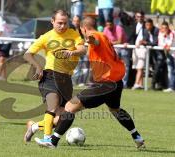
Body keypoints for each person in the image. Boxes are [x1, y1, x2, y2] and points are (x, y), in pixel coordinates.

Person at [35, 16, 145, 149]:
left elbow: (94, 40)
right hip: (117, 83)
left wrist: (90, 39)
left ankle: (52, 142)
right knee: (115, 110)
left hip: (105, 84)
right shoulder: (104, 35)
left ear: (83, 28)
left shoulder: (94, 35)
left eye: (81, 31)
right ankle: (137, 136)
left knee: (69, 107)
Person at [23, 9, 85, 142]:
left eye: (65, 23)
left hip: (66, 79)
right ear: (52, 22)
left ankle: (34, 127)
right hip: (49, 76)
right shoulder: (46, 37)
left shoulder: (73, 34)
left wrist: (72, 52)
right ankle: (47, 139)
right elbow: (27, 54)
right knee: (52, 106)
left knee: (63, 117)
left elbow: (83, 49)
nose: (62, 26)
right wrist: (38, 67)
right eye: (59, 23)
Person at [103, 19, 129, 88]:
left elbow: (120, 41)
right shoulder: (105, 29)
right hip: (113, 50)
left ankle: (124, 84)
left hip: (123, 49)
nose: (108, 26)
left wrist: (110, 43)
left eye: (110, 25)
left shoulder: (118, 28)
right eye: (107, 25)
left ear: (113, 24)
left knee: (125, 67)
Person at [138, 18, 159, 90]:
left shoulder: (156, 30)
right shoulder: (145, 31)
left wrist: (146, 43)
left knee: (157, 68)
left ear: (152, 25)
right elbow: (145, 40)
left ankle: (155, 85)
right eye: (146, 25)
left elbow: (156, 43)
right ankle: (153, 85)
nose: (148, 27)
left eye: (149, 25)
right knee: (153, 69)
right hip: (150, 53)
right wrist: (142, 42)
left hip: (158, 53)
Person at [158, 21, 175, 92]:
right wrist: (165, 45)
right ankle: (172, 87)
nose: (164, 29)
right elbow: (160, 44)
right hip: (169, 54)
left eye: (166, 28)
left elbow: (170, 44)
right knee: (171, 70)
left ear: (168, 27)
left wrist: (166, 45)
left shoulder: (173, 33)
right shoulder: (160, 33)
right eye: (163, 28)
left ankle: (173, 87)